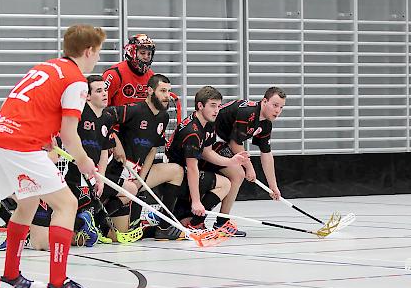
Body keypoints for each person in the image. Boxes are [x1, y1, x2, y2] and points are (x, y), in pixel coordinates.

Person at [0, 24, 106, 288]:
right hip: (18, 144)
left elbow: (34, 107)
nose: (97, 58)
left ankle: (10, 278)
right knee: (67, 204)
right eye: (97, 53)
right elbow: (70, 135)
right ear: (88, 51)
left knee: (27, 202)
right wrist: (85, 163)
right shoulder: (75, 80)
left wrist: (45, 136)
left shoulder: (47, 66)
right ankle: (59, 285)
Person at [99, 74, 183, 241]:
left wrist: (142, 179)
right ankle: (100, 216)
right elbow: (104, 115)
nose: (167, 96)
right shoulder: (134, 110)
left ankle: (165, 224)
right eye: (162, 91)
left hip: (138, 172)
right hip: (118, 171)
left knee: (176, 171)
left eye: (169, 91)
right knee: (122, 234)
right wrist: (116, 143)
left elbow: (152, 150)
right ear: (150, 91)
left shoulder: (163, 117)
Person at [200, 87, 286, 237]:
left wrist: (273, 186)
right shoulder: (248, 113)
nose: (278, 110)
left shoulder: (266, 124)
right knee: (238, 173)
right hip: (209, 138)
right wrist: (249, 168)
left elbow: (266, 154)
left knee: (237, 174)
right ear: (264, 101)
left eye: (281, 107)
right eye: (275, 105)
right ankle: (218, 222)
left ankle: (221, 222)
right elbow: (235, 144)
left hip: (222, 142)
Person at [165, 86, 249, 230]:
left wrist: (231, 161)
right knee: (225, 184)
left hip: (186, 169)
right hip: (176, 176)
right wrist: (196, 202)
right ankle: (196, 221)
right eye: (212, 106)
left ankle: (196, 219)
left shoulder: (208, 123)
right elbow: (192, 169)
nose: (217, 110)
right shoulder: (193, 132)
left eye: (218, 106)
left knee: (234, 174)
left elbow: (207, 153)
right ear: (200, 105)